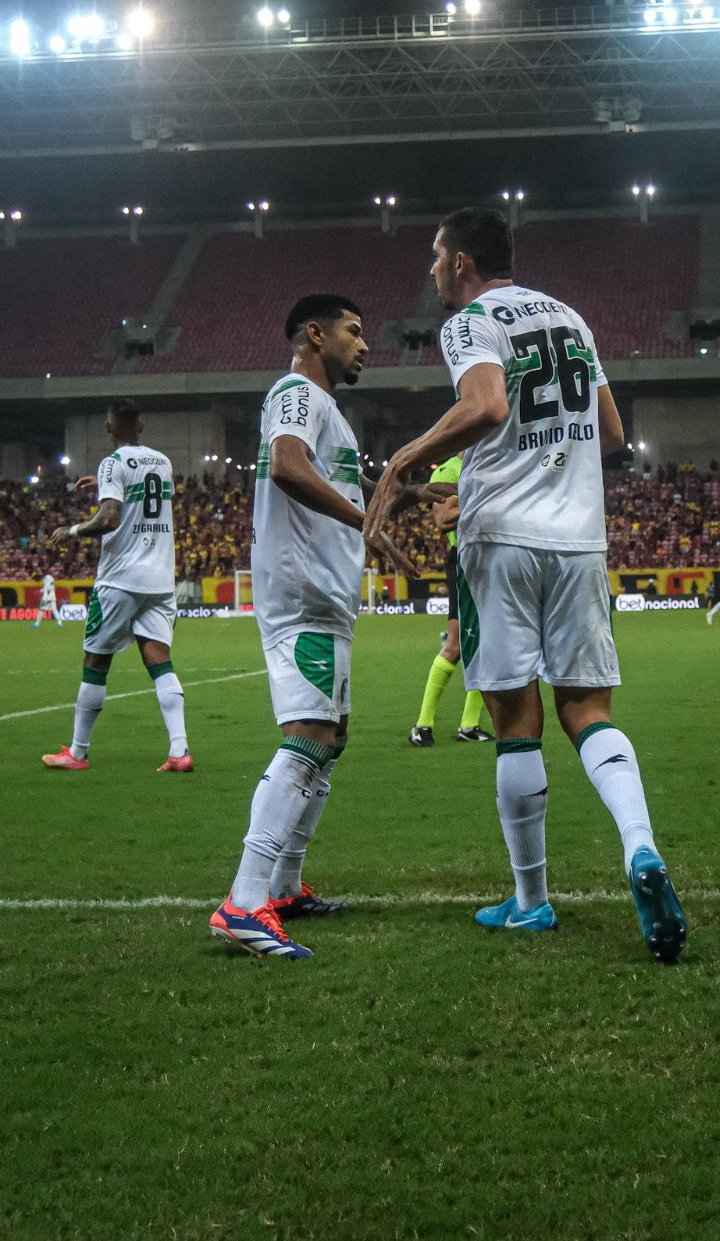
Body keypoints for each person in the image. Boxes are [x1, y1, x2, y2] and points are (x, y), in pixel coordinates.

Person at [364, 207, 686, 963]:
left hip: (500, 543)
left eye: (438, 257)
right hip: (578, 540)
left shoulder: (469, 321)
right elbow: (610, 436)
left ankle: (531, 901)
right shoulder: (571, 318)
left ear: (464, 263)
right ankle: (640, 847)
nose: (433, 271)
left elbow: (485, 407)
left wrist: (403, 459)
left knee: (516, 719)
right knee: (587, 707)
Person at [209, 295, 423, 958]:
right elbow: (287, 466)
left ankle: (285, 885)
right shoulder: (296, 393)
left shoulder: (329, 411)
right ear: (314, 333)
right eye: (353, 332)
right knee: (308, 736)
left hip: (327, 598)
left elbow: (344, 485)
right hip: (302, 592)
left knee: (332, 738)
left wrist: (403, 505)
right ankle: (244, 903)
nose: (365, 345)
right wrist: (368, 523)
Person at [41, 400, 191, 773]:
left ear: (109, 428)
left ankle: (77, 753)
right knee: (160, 660)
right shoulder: (163, 462)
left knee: (95, 661)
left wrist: (73, 530)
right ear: (141, 425)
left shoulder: (112, 463)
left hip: (121, 578)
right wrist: (107, 484)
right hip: (159, 580)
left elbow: (109, 518)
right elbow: (145, 494)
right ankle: (180, 751)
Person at [409, 452, 492, 745]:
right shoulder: (448, 470)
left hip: (492, 560)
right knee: (455, 645)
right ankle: (422, 725)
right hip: (464, 561)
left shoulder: (487, 462)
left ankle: (469, 726)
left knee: (488, 646)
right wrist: (487, 500)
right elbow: (444, 519)